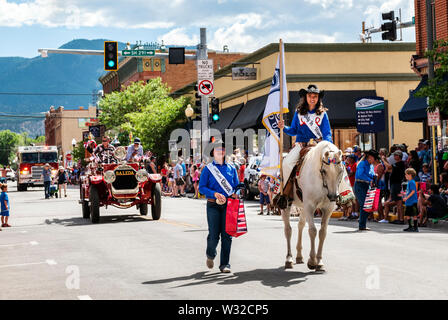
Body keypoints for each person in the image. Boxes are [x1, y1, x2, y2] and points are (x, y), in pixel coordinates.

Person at [198, 140, 240, 273]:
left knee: (227, 235)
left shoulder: (232, 168)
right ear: (213, 152)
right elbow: (201, 188)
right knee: (214, 235)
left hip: (229, 205)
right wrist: (214, 193)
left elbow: (237, 187)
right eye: (217, 149)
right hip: (213, 205)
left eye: (222, 149)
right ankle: (210, 255)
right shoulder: (208, 169)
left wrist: (236, 193)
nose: (220, 151)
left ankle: (225, 264)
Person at [353, 149, 379, 231]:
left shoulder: (371, 165)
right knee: (364, 205)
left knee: (367, 205)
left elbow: (370, 175)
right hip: (360, 185)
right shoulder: (362, 164)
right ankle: (362, 224)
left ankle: (362, 223)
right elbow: (360, 175)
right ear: (370, 157)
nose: (375, 160)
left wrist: (374, 176)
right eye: (375, 158)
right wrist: (369, 179)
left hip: (367, 186)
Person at [383, 150, 406, 224]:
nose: (394, 157)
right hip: (394, 184)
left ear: (398, 156)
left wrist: (383, 160)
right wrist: (385, 160)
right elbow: (390, 168)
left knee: (399, 202)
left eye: (395, 155)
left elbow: (389, 166)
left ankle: (401, 219)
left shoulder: (400, 163)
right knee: (397, 201)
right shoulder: (397, 164)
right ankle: (399, 218)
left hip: (396, 184)